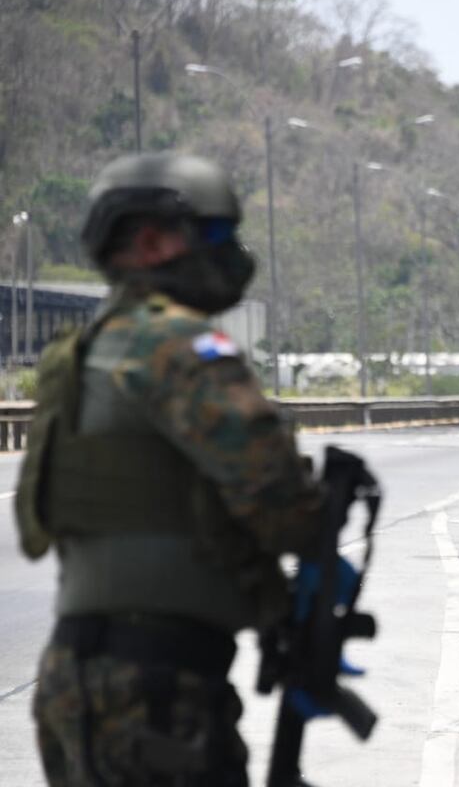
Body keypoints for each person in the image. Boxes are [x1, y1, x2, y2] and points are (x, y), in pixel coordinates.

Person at [16, 152, 325, 786]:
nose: (229, 254)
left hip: (71, 678)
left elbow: (41, 523)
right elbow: (287, 511)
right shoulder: (181, 347)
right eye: (214, 235)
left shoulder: (75, 355)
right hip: (158, 688)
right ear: (152, 241)